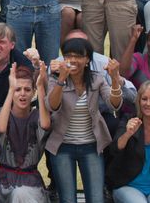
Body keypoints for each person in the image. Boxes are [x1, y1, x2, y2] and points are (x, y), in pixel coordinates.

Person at [46, 37, 122, 203]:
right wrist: (61, 80)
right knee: (67, 199)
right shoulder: (55, 78)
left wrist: (115, 79)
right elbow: (52, 106)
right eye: (68, 55)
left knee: (96, 198)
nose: (73, 60)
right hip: (62, 147)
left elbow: (114, 105)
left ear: (87, 60)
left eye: (78, 56)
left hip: (91, 146)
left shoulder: (97, 79)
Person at [0, 64, 50, 203]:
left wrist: (41, 86)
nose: (22, 94)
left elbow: (45, 125)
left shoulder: (38, 116)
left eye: (27, 89)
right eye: (18, 90)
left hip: (29, 183)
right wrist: (11, 89)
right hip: (3, 179)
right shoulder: (2, 113)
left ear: (33, 92)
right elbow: (0, 128)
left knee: (20, 194)